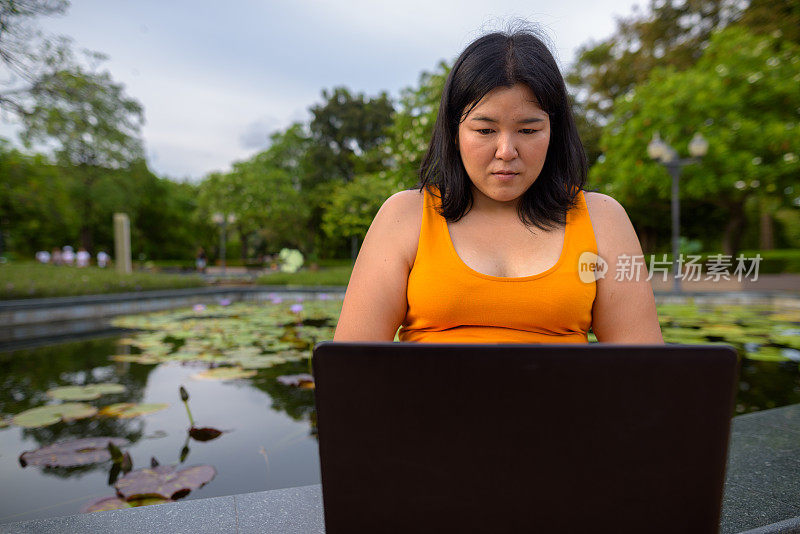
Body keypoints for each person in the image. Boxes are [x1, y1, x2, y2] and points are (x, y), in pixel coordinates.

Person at [334, 28, 663, 344]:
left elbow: (645, 373)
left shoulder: (603, 219)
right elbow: (349, 370)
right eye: (485, 130)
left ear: (554, 133)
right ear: (454, 132)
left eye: (529, 131)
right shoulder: (404, 216)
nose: (506, 152)